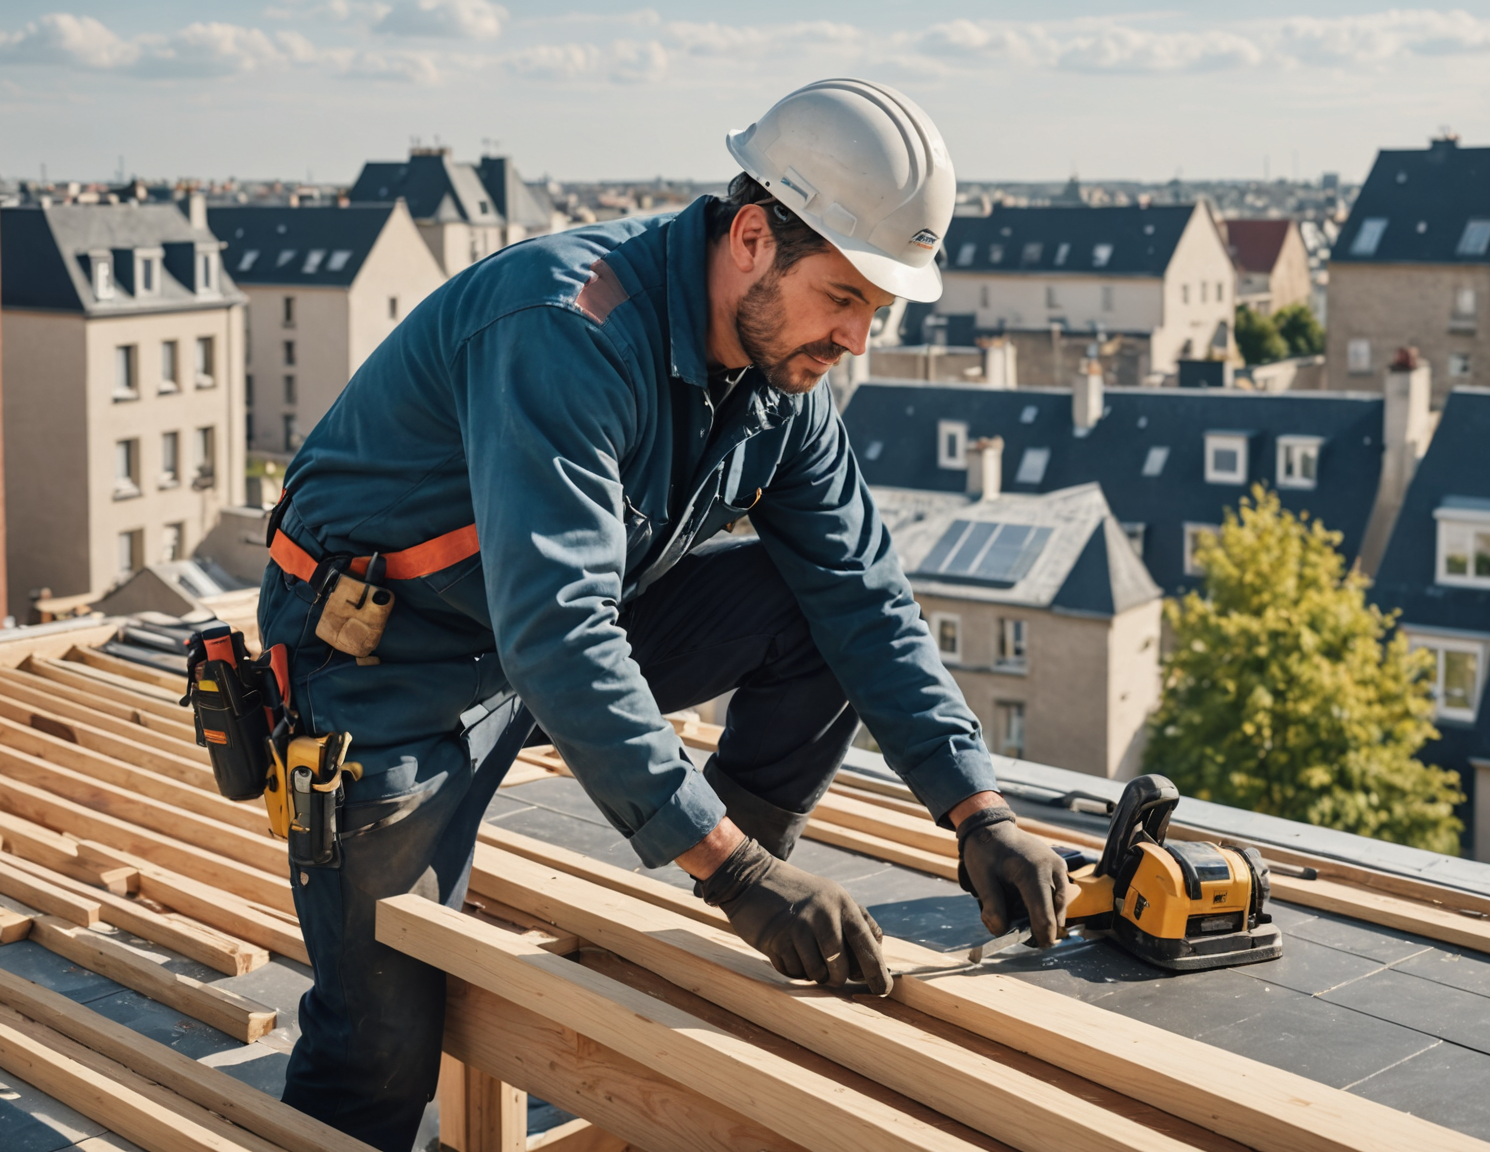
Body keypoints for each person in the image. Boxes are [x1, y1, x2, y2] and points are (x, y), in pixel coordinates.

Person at [257, 78, 1075, 1150]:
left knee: (811, 605)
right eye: (843, 297)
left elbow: (864, 597)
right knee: (385, 1038)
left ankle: (726, 857)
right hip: (384, 666)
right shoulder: (567, 327)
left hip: (541, 635)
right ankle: (725, 862)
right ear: (751, 237)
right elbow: (561, 633)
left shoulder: (783, 389)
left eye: (876, 310)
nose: (858, 338)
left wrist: (980, 812)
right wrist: (739, 877)